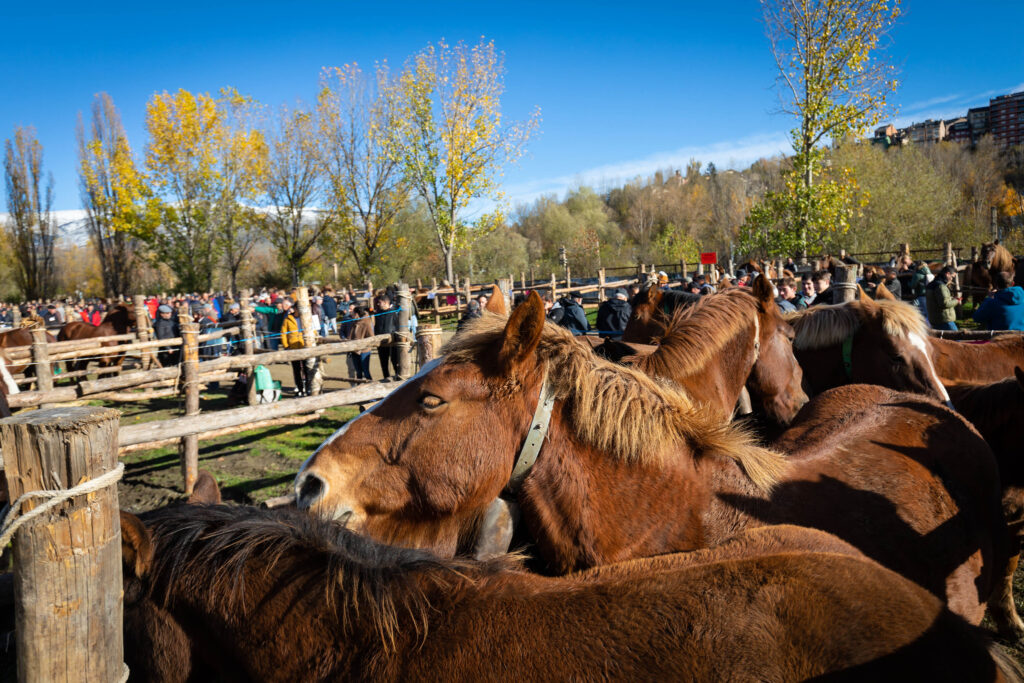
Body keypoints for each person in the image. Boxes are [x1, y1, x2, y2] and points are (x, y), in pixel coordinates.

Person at [280, 298, 309, 396]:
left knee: (306, 369)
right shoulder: (288, 319)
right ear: (295, 308)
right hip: (293, 348)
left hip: (304, 346)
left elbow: (311, 329)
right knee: (296, 370)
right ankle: (300, 389)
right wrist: (286, 346)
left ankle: (308, 388)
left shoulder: (305, 318)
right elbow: (283, 333)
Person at [373, 295, 400, 381]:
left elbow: (397, 327)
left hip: (392, 344)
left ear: (385, 303)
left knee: (395, 363)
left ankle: (398, 379)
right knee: (384, 365)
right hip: (381, 344)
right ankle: (386, 380)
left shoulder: (393, 313)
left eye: (380, 302)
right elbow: (376, 327)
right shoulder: (378, 314)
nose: (378, 304)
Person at [925, 266, 959, 331]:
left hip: (934, 319)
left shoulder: (931, 284)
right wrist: (956, 300)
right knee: (957, 339)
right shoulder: (941, 286)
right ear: (947, 274)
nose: (951, 279)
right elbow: (944, 304)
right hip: (945, 320)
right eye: (952, 277)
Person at [349, 307, 375, 380]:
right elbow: (350, 336)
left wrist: (362, 343)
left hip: (364, 351)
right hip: (354, 350)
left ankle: (371, 387)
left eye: (353, 313)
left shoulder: (366, 322)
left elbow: (371, 337)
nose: (351, 314)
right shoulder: (354, 323)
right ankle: (359, 388)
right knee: (358, 372)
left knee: (366, 371)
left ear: (356, 314)